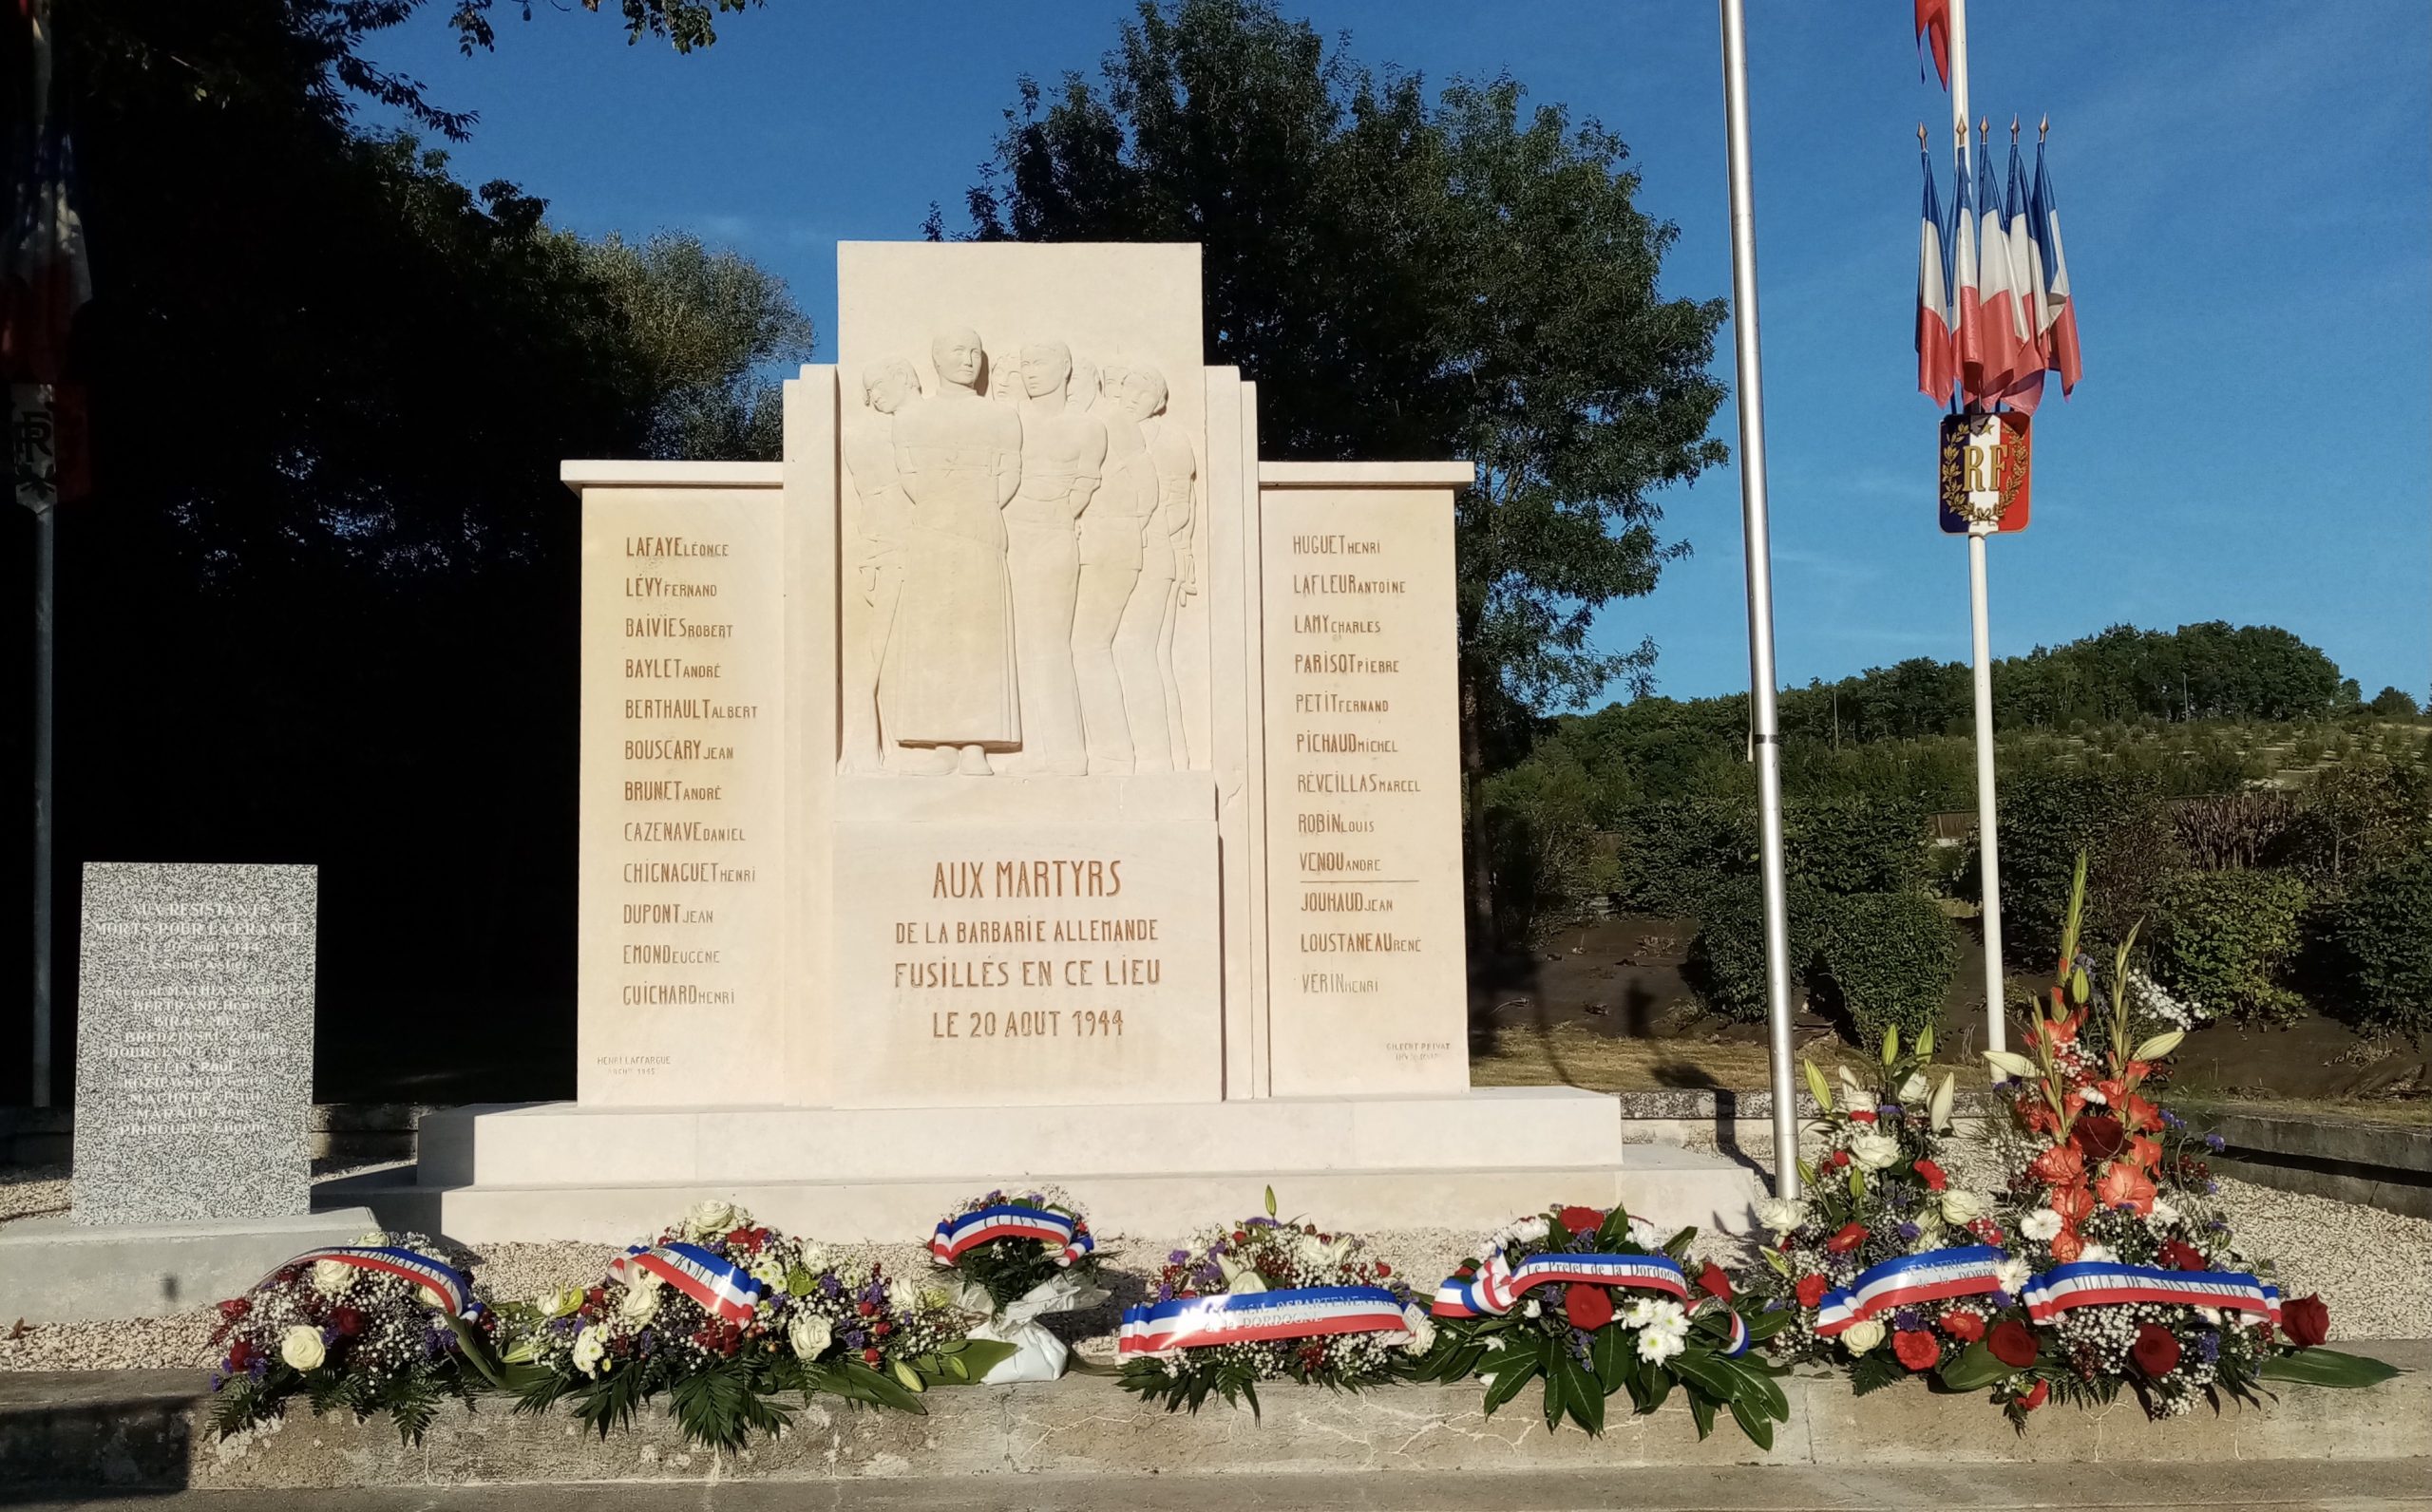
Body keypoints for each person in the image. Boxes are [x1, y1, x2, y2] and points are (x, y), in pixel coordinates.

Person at [884, 328, 1022, 776]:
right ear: (937, 358)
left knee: (978, 634)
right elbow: (909, 474)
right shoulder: (912, 418)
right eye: (958, 351)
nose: (969, 359)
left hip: (981, 528)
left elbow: (1009, 474)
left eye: (975, 352)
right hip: (932, 531)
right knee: (934, 634)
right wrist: (942, 505)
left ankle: (977, 741)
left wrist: (975, 503)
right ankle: (941, 739)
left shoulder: (1001, 416)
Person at [1001, 340, 1103, 776]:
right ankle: (1035, 750)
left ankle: (1066, 752)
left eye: (1040, 363)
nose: (1031, 371)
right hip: (1011, 536)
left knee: (1050, 643)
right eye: (1025, 364)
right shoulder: (1010, 420)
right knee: (1019, 645)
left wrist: (1056, 514)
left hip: (1053, 538)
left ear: (1064, 367)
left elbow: (1085, 483)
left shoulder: (1087, 427)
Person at [839, 357, 919, 773]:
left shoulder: (912, 426)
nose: (872, 397)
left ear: (903, 377)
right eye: (868, 391)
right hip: (891, 549)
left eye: (877, 386)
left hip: (905, 548)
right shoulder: (871, 434)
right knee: (883, 647)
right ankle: (869, 744)